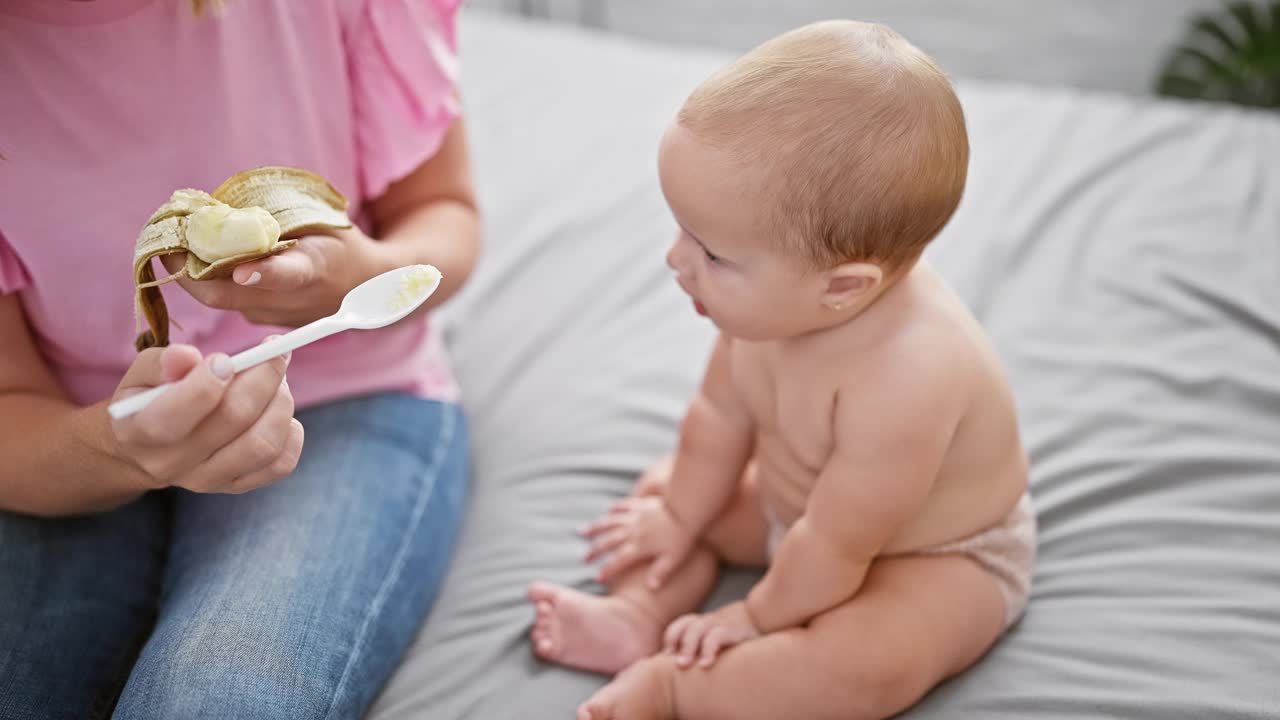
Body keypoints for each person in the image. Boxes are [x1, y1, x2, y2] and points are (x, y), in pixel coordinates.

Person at [526, 20, 1036, 720]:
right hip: (794, 508)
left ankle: (678, 690)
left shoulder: (911, 377)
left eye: (712, 254)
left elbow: (839, 541)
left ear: (843, 287)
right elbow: (718, 420)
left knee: (873, 664)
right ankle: (638, 614)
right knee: (671, 490)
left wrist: (757, 618)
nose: (677, 262)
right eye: (682, 232)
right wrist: (679, 516)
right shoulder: (771, 306)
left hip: (929, 554)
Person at [0, 0, 477, 717]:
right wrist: (121, 449)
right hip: (68, 439)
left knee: (213, 697)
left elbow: (446, 214)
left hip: (346, 401)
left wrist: (356, 275)